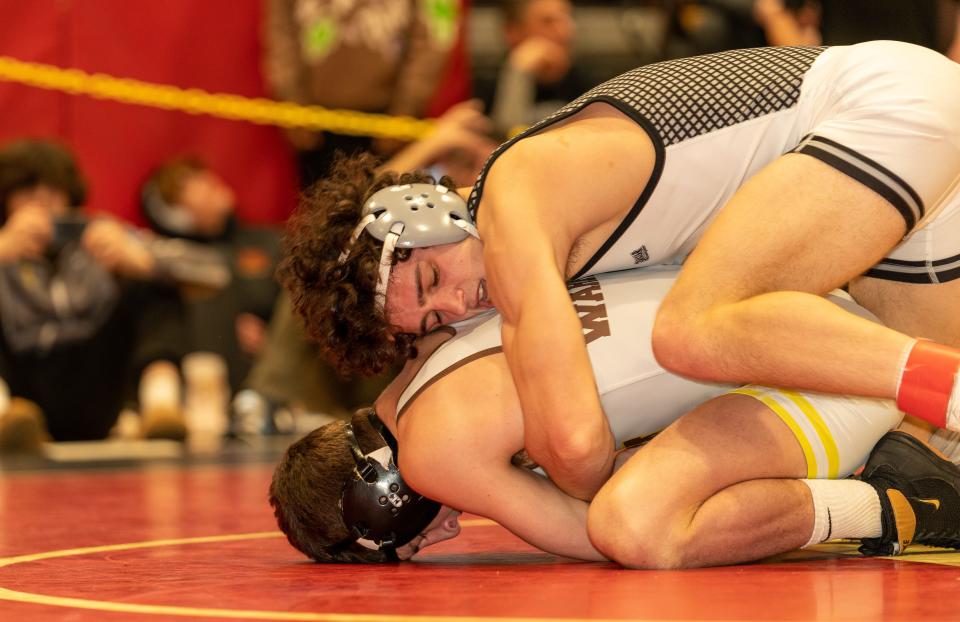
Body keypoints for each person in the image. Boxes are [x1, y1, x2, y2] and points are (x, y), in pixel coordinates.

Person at [280, 40, 960, 502]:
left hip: (877, 114)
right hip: (899, 165)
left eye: (432, 281)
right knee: (921, 451)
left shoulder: (516, 208)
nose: (461, 302)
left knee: (691, 329)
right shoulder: (519, 216)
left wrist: (528, 468)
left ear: (423, 205)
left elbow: (575, 449)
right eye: (435, 319)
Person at [270, 266, 960, 565]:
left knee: (635, 522)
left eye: (413, 541)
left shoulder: (432, 448)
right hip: (814, 319)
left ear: (380, 499)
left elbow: (589, 535)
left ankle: (900, 502)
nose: (447, 530)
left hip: (834, 379)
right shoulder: (440, 336)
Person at [0, 139, 188, 448]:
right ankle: (3, 418)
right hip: (23, 389)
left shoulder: (100, 233)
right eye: (28, 193)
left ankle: (161, 406)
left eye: (53, 191)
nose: (42, 203)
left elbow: (212, 271)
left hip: (96, 381)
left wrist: (139, 258)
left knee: (155, 281)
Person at [263, 0, 460, 186]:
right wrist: (293, 100)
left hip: (388, 120)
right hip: (316, 121)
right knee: (320, 211)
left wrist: (406, 108)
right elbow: (281, 31)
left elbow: (432, 35)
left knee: (385, 208)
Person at [142, 157, 282, 393]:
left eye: (201, 175)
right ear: (176, 215)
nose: (207, 182)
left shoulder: (270, 241)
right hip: (219, 374)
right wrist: (227, 323)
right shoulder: (180, 262)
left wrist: (275, 339)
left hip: (284, 362)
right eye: (188, 184)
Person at [474, 0, 590, 138]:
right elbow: (503, 142)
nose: (566, 31)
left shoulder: (584, 82)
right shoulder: (486, 87)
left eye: (567, 19)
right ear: (512, 32)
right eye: (548, 21)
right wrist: (518, 73)